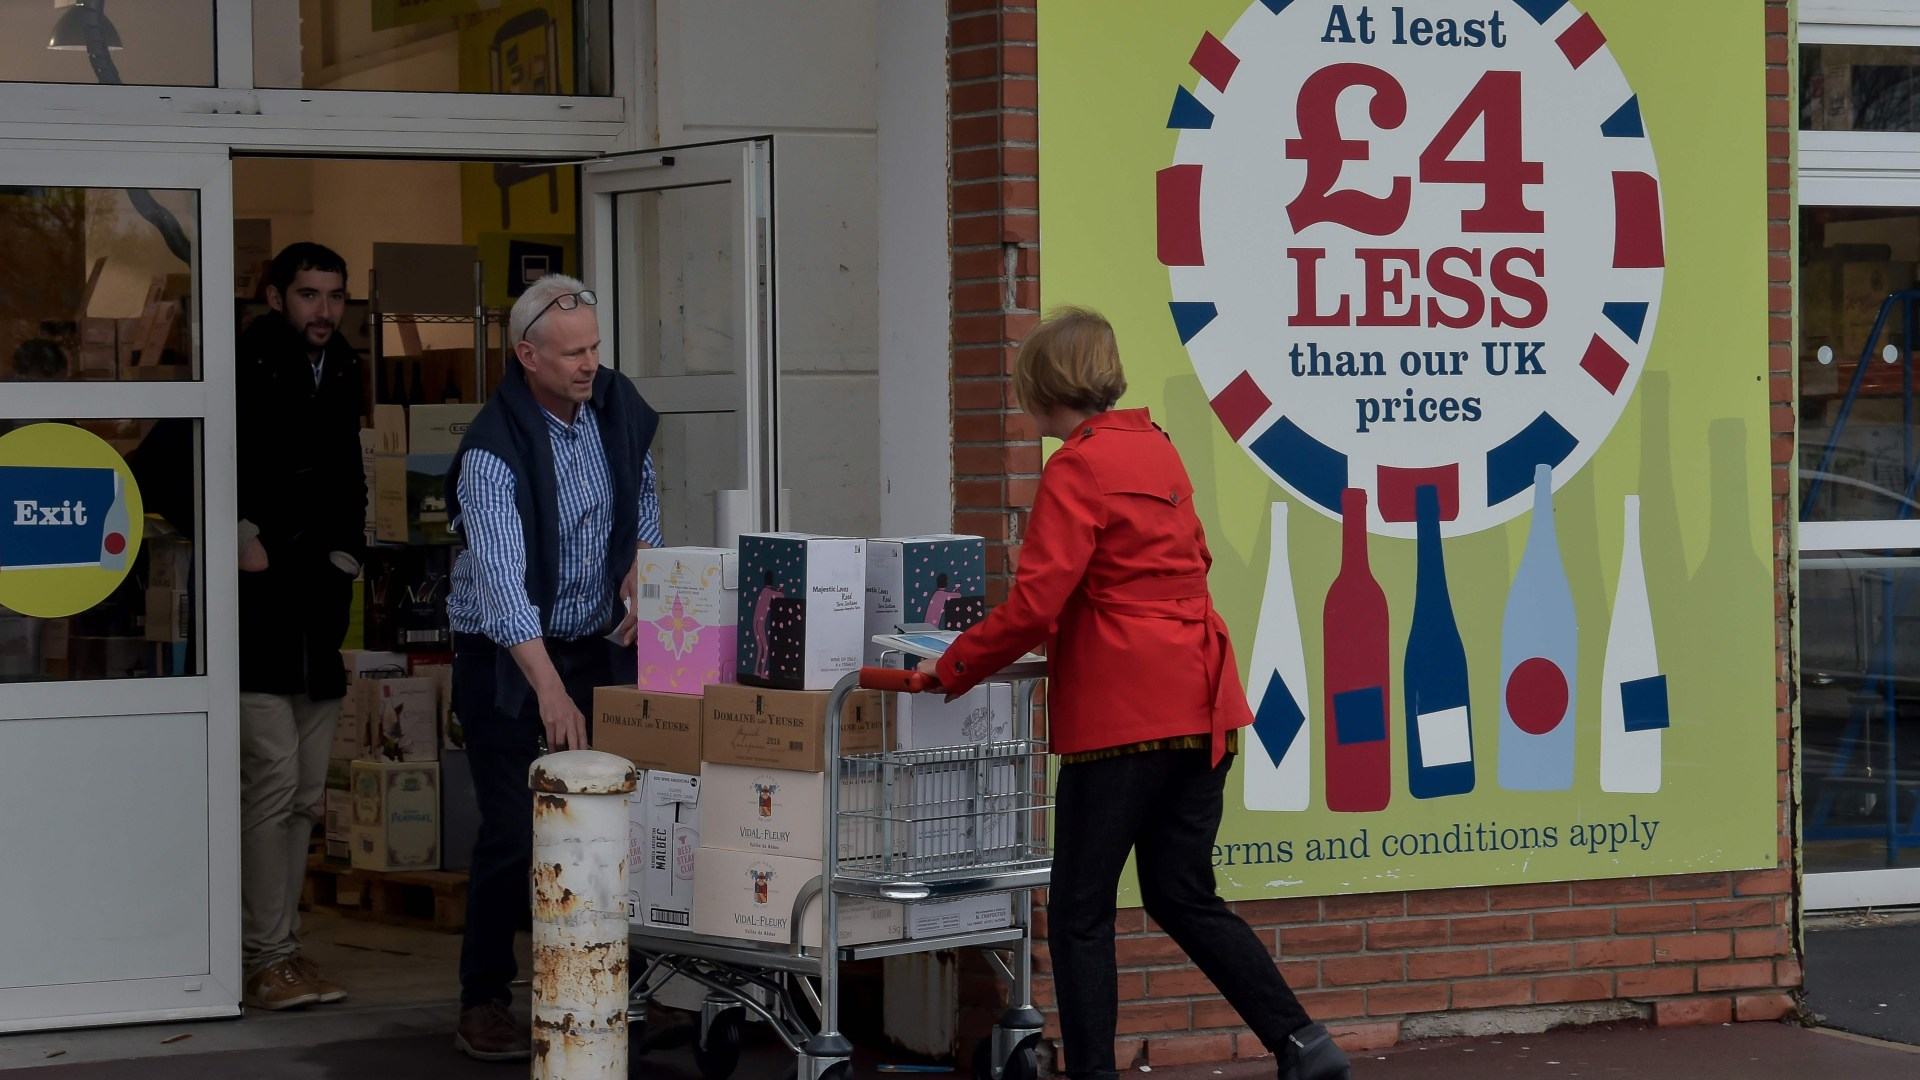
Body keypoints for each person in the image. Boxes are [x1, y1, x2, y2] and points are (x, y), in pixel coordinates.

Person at [920, 309, 1350, 1080]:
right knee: (1183, 893)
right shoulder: (1158, 448)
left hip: (1123, 717)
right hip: (1203, 700)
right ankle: (1301, 1042)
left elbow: (1035, 604)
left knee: (1082, 913)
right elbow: (1194, 558)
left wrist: (951, 668)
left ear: (1039, 388)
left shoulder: (1075, 469)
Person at [444, 273, 661, 1061]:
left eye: (596, 348)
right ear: (526, 355)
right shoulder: (491, 452)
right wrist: (550, 692)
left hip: (590, 639)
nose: (589, 365)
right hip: (508, 655)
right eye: (572, 353)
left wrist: (640, 567)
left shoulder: (612, 410)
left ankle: (599, 988)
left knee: (607, 820)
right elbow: (503, 592)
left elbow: (642, 497)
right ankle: (483, 999)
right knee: (512, 830)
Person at [234, 242, 365, 1011]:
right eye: (309, 295)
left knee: (307, 796)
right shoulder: (248, 361)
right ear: (277, 294)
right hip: (260, 615)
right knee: (274, 783)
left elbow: (347, 464)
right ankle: (264, 957)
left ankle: (283, 952)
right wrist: (236, 531)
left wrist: (348, 552)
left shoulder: (341, 366)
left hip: (319, 608)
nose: (323, 310)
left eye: (335, 296)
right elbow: (170, 455)